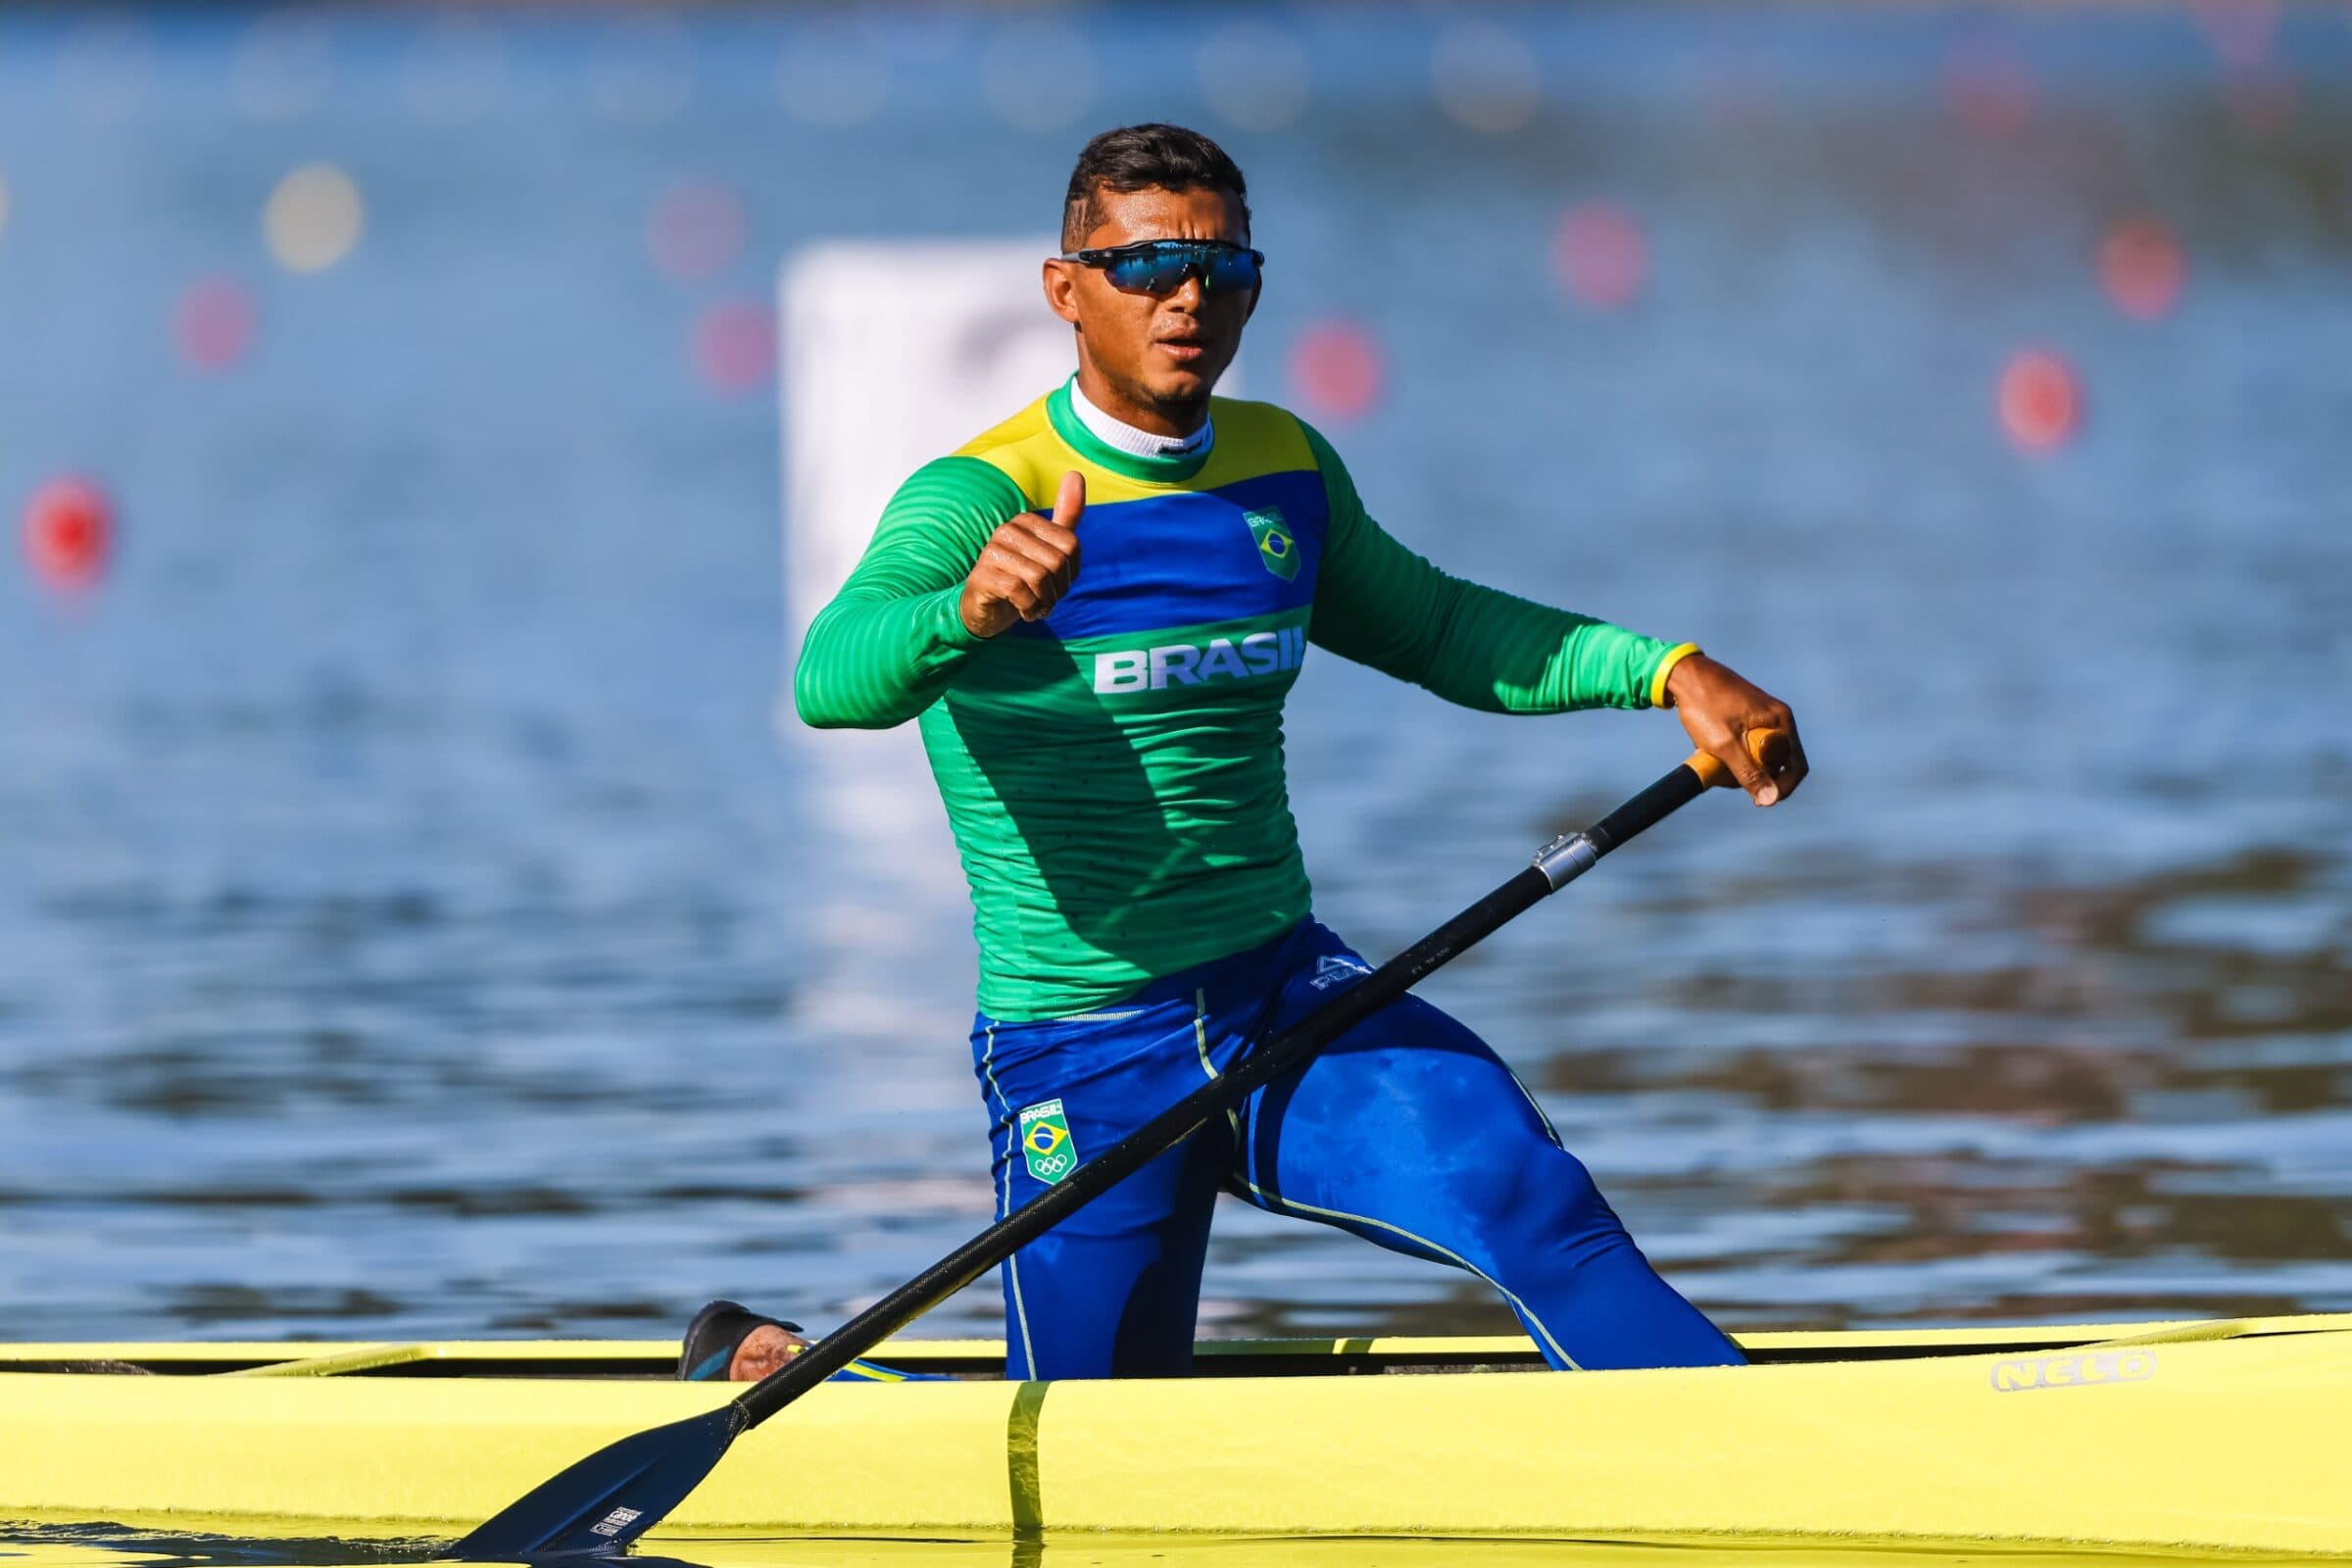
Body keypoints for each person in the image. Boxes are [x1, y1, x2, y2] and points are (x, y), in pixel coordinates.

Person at [682, 123, 1807, 1386]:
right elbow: (828, 679)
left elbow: (1442, 629)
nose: (1186, 296)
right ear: (1066, 290)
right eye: (1143, 264)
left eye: (1221, 268)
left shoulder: (1285, 469)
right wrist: (968, 613)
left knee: (1525, 1194)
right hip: (1085, 1047)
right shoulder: (978, 496)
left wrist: (1667, 670)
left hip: (1286, 997)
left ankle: (1754, 1452)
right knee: (1093, 1438)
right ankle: (788, 1372)